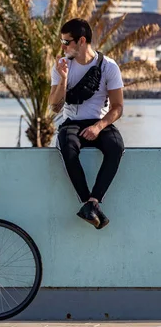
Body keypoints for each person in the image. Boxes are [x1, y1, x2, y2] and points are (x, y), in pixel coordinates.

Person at [49, 18, 124, 229]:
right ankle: (87, 203)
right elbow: (55, 107)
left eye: (66, 42)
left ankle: (94, 202)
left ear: (81, 41)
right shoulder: (62, 66)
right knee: (68, 146)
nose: (62, 46)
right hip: (72, 122)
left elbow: (117, 107)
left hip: (99, 122)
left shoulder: (108, 66)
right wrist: (63, 79)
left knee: (116, 146)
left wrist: (99, 126)